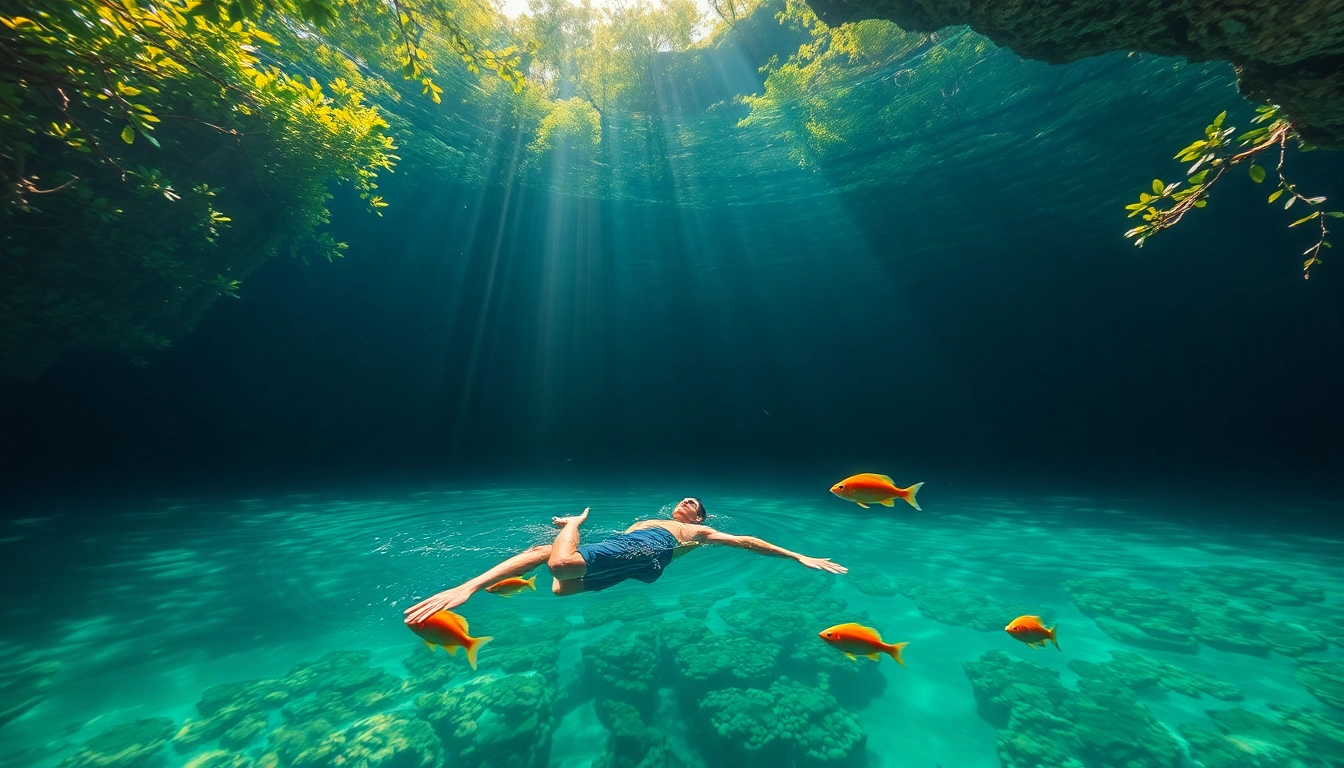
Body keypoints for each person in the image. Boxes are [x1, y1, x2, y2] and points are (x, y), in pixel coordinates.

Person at [403, 497, 847, 624]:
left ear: (699, 518)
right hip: (644, 559)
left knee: (557, 570)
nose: (686, 502)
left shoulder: (699, 531)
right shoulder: (649, 519)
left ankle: (569, 527)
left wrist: (797, 555)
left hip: (652, 553)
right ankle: (566, 532)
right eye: (683, 500)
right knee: (557, 579)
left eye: (693, 504)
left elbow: (746, 540)